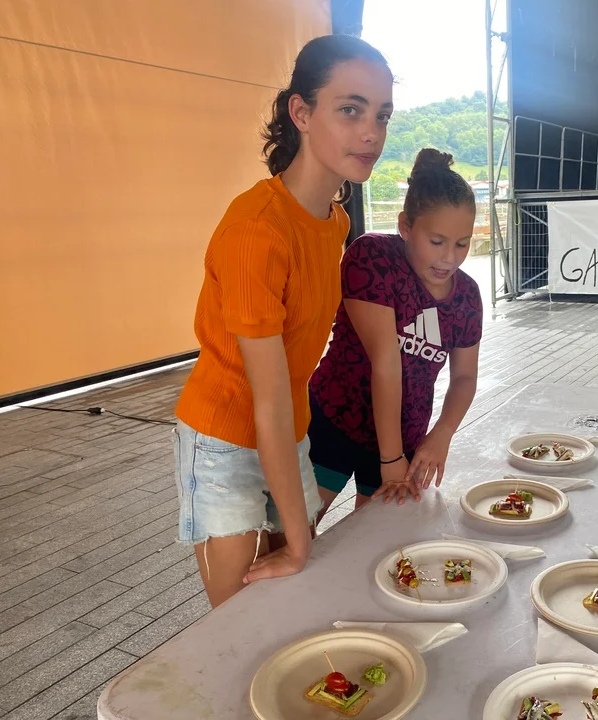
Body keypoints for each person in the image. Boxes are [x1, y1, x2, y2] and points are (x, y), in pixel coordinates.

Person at [172, 35, 393, 607]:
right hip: (223, 437)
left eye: (382, 115)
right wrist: (299, 540)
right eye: (351, 109)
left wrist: (297, 540)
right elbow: (264, 398)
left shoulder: (335, 222)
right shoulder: (257, 230)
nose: (371, 132)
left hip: (289, 428)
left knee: (284, 600)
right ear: (302, 112)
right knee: (236, 619)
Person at [309, 148, 482, 517]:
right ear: (405, 226)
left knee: (380, 534)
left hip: (405, 433)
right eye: (436, 241)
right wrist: (390, 459)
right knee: (295, 528)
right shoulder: (373, 257)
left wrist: (442, 434)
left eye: (462, 243)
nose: (449, 258)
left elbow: (465, 377)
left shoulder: (467, 295)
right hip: (335, 418)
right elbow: (386, 363)